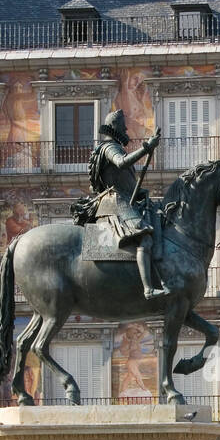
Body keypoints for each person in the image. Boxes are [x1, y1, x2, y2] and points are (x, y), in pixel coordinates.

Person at [71, 109, 168, 300]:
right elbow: (121, 163)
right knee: (145, 239)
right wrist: (146, 148)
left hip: (122, 199)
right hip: (115, 203)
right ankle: (148, 288)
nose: (126, 129)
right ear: (115, 127)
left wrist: (139, 192)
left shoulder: (113, 146)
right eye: (123, 126)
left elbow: (125, 181)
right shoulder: (109, 147)